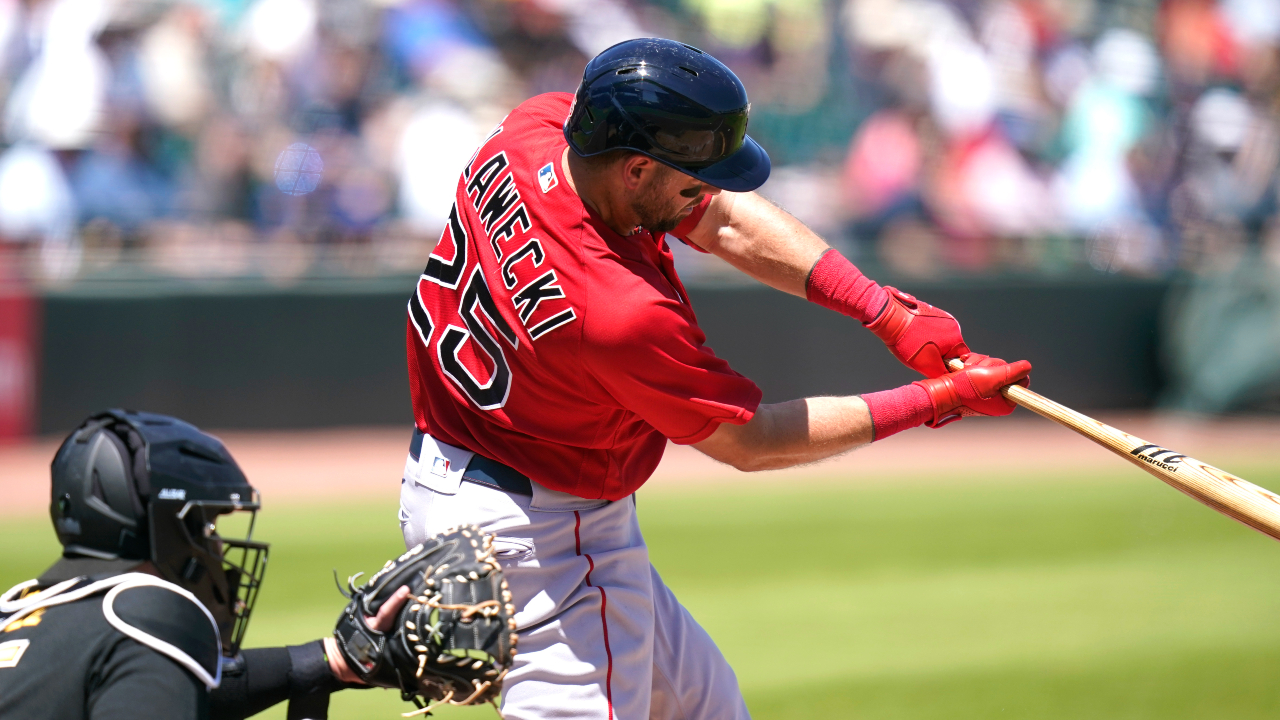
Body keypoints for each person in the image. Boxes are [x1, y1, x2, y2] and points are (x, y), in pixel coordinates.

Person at [398, 37, 1032, 720]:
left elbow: (722, 221)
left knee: (710, 709)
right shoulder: (615, 311)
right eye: (693, 177)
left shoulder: (537, 131)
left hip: (461, 474)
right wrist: (934, 401)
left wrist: (884, 312)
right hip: (545, 535)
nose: (711, 191)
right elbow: (751, 442)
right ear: (638, 170)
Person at [0, 409, 407, 720]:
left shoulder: (19, 614)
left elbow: (161, 692)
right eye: (208, 525)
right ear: (168, 530)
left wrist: (327, 661)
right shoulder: (146, 612)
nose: (215, 545)